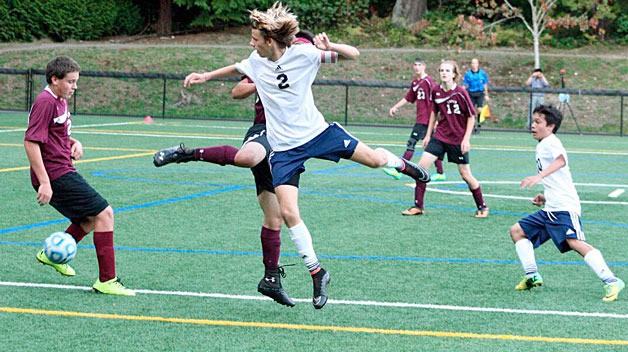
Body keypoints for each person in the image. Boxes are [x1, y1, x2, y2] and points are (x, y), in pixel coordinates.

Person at [182, 2, 430, 309]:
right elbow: (236, 68)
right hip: (285, 150)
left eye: (255, 39)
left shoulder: (305, 54)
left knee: (376, 160)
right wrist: (205, 77)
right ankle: (317, 272)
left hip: (319, 135)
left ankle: (405, 165)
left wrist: (330, 45)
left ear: (270, 41)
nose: (251, 43)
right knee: (288, 213)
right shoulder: (256, 61)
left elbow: (353, 54)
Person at [151, 32, 316, 307]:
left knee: (275, 218)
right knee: (248, 156)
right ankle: (185, 153)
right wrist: (257, 81)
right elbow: (236, 90)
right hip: (265, 131)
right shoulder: (266, 65)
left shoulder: (302, 69)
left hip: (289, 142)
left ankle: (271, 279)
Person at [24, 56, 135, 296]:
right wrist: (44, 181)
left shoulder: (60, 99)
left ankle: (50, 255)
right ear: (55, 79)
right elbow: (31, 142)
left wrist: (74, 142)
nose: (75, 86)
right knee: (105, 213)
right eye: (71, 82)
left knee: (88, 219)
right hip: (55, 174)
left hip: (63, 168)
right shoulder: (46, 101)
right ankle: (107, 280)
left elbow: (56, 133)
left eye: (76, 81)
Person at [510, 105, 624, 302]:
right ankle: (531, 276)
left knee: (575, 243)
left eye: (538, 122)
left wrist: (539, 176)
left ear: (551, 126)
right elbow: (559, 178)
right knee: (517, 231)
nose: (533, 126)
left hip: (564, 207)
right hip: (552, 207)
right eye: (533, 121)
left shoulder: (551, 142)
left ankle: (612, 281)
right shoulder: (542, 144)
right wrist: (545, 196)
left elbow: (561, 161)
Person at [402, 60, 488, 218]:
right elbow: (434, 113)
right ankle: (418, 206)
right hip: (439, 137)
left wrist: (466, 139)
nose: (444, 73)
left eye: (447, 70)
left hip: (457, 139)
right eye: (441, 70)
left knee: (465, 175)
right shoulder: (436, 91)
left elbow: (471, 117)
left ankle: (482, 206)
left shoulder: (461, 92)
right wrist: (428, 135)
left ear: (454, 74)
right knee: (420, 168)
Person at [386, 58, 446, 182]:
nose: (417, 67)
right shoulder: (415, 83)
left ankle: (398, 170)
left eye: (419, 65)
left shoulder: (429, 82)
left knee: (411, 144)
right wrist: (395, 107)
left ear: (424, 67)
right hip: (421, 119)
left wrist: (436, 121)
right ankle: (440, 173)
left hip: (427, 120)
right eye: (415, 65)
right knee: (431, 148)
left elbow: (436, 101)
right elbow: (408, 98)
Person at [462, 58, 494, 133]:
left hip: (480, 93)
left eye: (475, 63)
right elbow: (464, 84)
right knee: (471, 110)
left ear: (478, 64)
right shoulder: (468, 74)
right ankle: (472, 126)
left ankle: (479, 124)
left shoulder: (482, 73)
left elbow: (485, 84)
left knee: (480, 109)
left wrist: (486, 95)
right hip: (471, 93)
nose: (474, 65)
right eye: (472, 63)